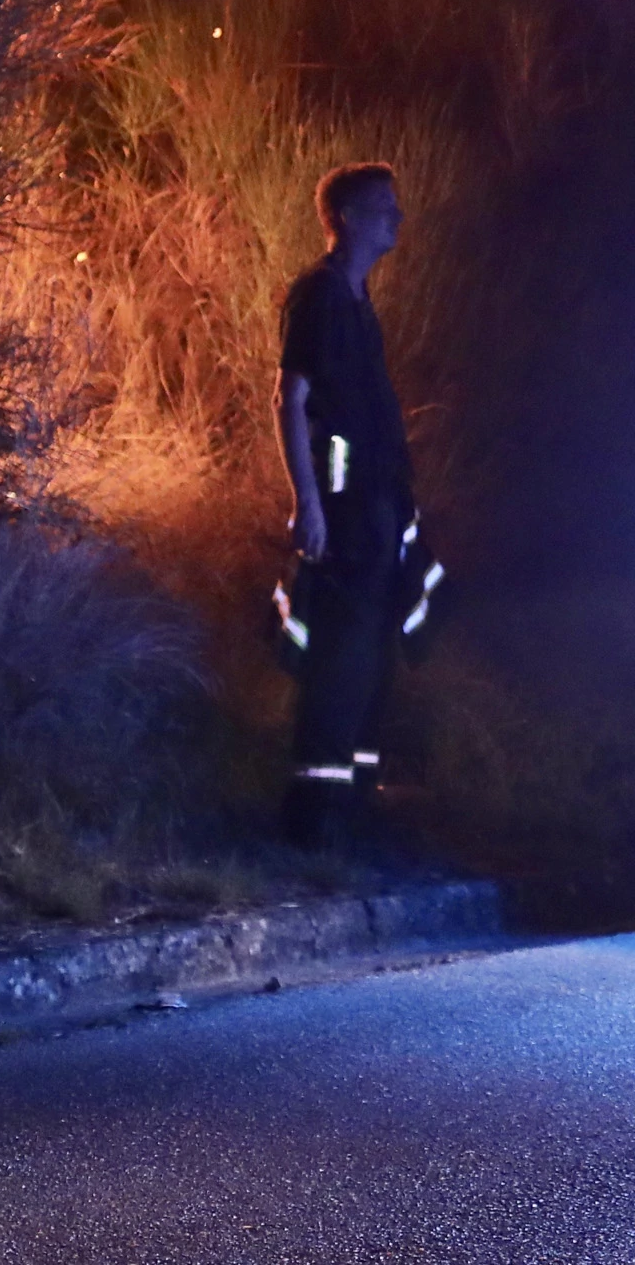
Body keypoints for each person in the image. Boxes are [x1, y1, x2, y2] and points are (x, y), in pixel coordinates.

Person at [282, 161, 418, 848]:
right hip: (344, 510)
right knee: (340, 657)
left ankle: (354, 804)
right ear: (347, 218)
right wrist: (309, 502)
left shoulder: (358, 302)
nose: (397, 216)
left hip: (378, 507)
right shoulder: (321, 297)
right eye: (383, 206)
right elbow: (293, 401)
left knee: (371, 656)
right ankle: (315, 814)